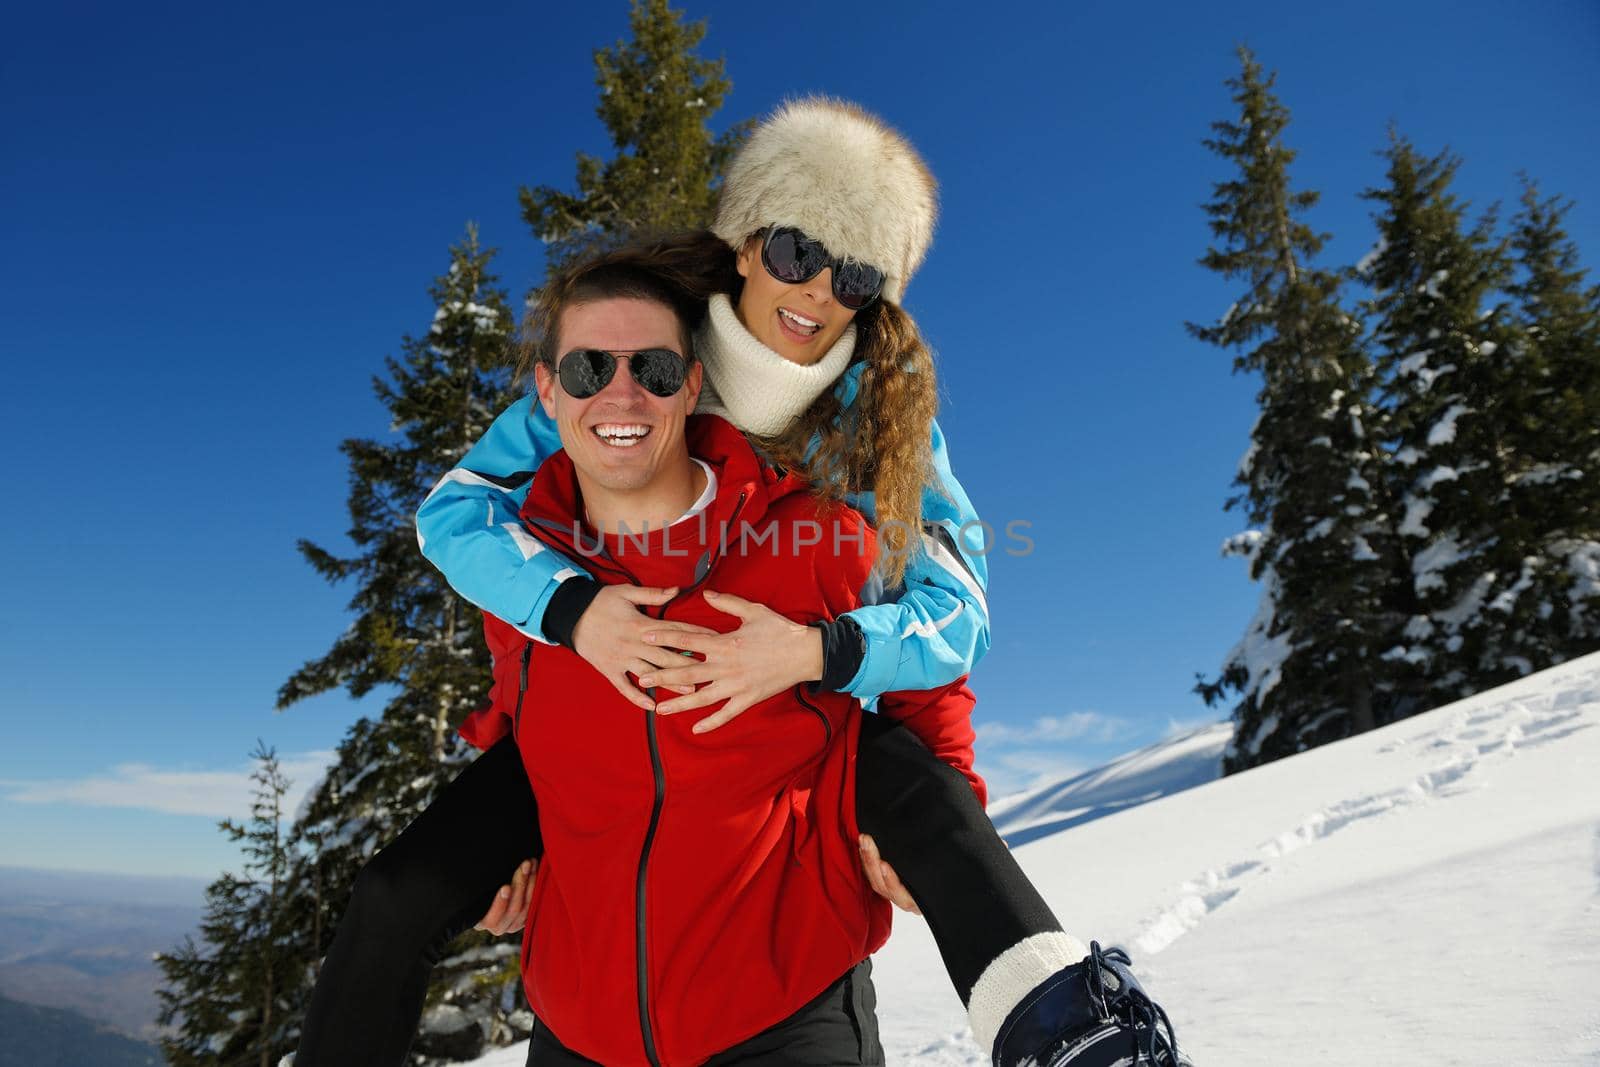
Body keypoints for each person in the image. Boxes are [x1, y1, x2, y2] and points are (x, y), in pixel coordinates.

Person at [293, 100, 1192, 1067]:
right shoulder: (626, 366)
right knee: (399, 893)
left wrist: (816, 652)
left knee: (900, 777)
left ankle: (1067, 1024)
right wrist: (573, 625)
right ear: (750, 240)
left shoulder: (878, 426)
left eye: (854, 275)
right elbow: (462, 515)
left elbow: (955, 615)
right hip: (601, 708)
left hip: (798, 709)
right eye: (800, 249)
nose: (817, 291)